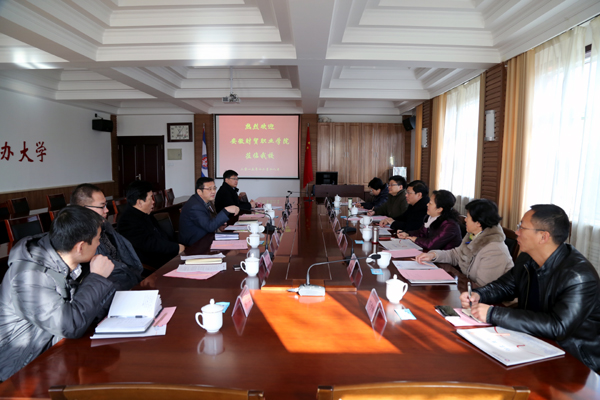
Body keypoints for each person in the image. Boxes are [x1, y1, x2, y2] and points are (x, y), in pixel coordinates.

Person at [461, 204, 600, 373]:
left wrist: (493, 314)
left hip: (572, 360)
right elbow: (505, 286)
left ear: (543, 236)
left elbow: (558, 327)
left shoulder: (579, 276)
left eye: (522, 227)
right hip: (531, 342)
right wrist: (478, 294)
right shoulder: (527, 258)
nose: (516, 232)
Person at [0, 206, 116, 381]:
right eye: (98, 239)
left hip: (57, 351)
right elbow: (69, 325)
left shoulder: (65, 258)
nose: (99, 244)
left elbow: (92, 308)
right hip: (21, 370)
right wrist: (97, 278)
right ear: (80, 247)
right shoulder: (28, 278)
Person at [416, 199, 513, 286]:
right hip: (467, 288)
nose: (465, 219)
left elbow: (484, 288)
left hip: (481, 296)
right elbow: (456, 255)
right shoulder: (473, 236)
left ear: (478, 223)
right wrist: (433, 255)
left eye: (468, 217)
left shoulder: (495, 250)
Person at [70, 183, 143, 290]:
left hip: (129, 281)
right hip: (112, 290)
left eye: (106, 205)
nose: (107, 210)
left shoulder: (105, 227)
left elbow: (125, 255)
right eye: (102, 206)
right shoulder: (82, 240)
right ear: (84, 210)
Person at [117, 181, 184, 270]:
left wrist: (176, 246)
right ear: (140, 202)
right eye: (150, 198)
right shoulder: (127, 221)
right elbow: (150, 245)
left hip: (166, 257)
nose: (153, 202)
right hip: (153, 266)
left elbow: (161, 235)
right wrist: (176, 248)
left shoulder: (145, 213)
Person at [179, 178, 240, 246]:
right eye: (209, 189)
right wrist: (226, 210)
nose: (213, 191)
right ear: (199, 191)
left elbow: (207, 221)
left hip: (205, 239)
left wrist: (219, 224)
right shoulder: (195, 206)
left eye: (214, 188)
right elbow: (210, 227)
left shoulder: (204, 202)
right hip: (195, 244)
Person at [397, 189, 462, 252]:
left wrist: (415, 239)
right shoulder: (431, 217)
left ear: (439, 209)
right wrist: (407, 234)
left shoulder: (450, 225)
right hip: (431, 254)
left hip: (443, 258)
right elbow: (421, 232)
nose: (427, 204)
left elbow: (431, 244)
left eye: (430, 203)